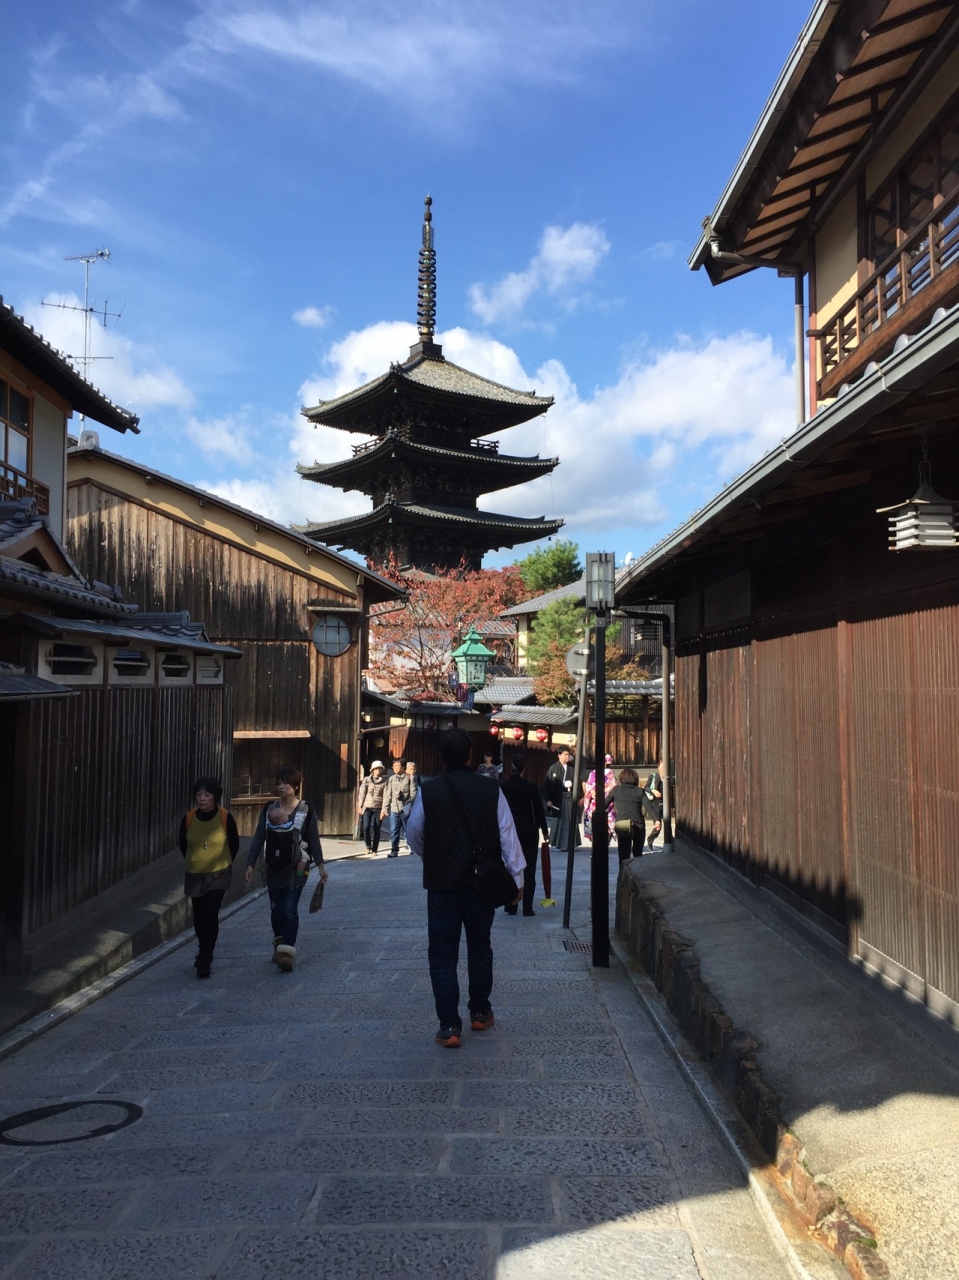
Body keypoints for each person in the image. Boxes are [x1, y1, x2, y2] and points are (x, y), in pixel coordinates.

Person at [406, 728, 525, 1048]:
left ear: (442, 757)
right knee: (480, 946)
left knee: (442, 953)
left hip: (441, 882)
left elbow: (414, 834)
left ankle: (449, 1025)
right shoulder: (490, 789)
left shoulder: (429, 791)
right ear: (471, 755)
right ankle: (480, 1011)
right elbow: (507, 835)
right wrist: (517, 879)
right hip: (480, 883)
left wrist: (432, 855)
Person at [245, 767, 326, 972]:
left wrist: (321, 865)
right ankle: (279, 943)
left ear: (296, 786)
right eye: (279, 783)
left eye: (286, 783)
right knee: (276, 909)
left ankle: (287, 953)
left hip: (296, 868)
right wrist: (250, 863)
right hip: (273, 867)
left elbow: (313, 838)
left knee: (289, 909)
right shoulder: (269, 808)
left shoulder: (306, 810)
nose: (281, 786)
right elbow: (259, 836)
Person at [179, 777, 240, 979]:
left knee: (210, 913)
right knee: (199, 916)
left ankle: (205, 957)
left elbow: (234, 844)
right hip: (195, 873)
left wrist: (222, 863)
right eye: (198, 794)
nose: (202, 798)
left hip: (218, 874)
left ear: (215, 797)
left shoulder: (225, 817)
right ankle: (203, 947)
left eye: (206, 794)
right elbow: (183, 845)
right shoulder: (188, 818)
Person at [500, 752, 550, 917]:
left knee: (511, 868)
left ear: (509, 768)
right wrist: (544, 830)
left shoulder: (503, 787)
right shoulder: (531, 786)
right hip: (529, 830)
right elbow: (539, 810)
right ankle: (527, 908)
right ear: (524, 769)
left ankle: (511, 905)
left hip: (509, 831)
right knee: (529, 870)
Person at [607, 767, 647, 862]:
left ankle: (623, 870)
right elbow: (649, 806)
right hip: (638, 824)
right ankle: (636, 871)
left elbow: (604, 804)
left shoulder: (616, 790)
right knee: (638, 854)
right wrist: (656, 820)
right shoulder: (639, 791)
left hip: (622, 823)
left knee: (623, 855)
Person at [543, 747, 575, 850]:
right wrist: (548, 799)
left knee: (570, 820)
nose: (567, 757)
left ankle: (570, 844)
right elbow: (548, 784)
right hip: (558, 798)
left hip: (569, 797)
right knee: (559, 821)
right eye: (565, 754)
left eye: (568, 754)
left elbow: (577, 783)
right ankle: (557, 843)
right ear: (559, 755)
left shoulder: (572, 769)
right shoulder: (553, 768)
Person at [381, 758, 414, 857]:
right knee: (394, 830)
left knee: (407, 829)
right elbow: (388, 795)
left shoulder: (410, 778)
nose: (395, 768)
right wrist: (384, 808)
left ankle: (412, 847)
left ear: (403, 767)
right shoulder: (391, 779)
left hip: (405, 808)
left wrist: (409, 803)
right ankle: (394, 850)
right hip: (394, 808)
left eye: (398, 766)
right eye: (394, 766)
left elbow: (414, 793)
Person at [583, 754, 617, 841]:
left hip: (600, 800)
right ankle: (603, 841)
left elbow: (589, 786)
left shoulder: (595, 773)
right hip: (604, 801)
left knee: (597, 823)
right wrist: (593, 791)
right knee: (603, 823)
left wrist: (593, 792)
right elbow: (589, 786)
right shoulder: (607, 773)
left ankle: (599, 841)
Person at [357, 761, 387, 853]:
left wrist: (384, 810)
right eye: (376, 769)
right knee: (365, 827)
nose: (378, 770)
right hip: (367, 806)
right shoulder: (367, 779)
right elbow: (362, 793)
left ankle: (375, 849)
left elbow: (386, 796)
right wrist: (360, 805)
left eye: (380, 769)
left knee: (376, 829)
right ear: (373, 770)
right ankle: (368, 846)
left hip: (378, 807)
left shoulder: (385, 781)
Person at [645, 759, 666, 850]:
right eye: (662, 767)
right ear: (658, 767)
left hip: (665, 804)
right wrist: (653, 791)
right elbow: (645, 787)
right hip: (655, 804)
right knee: (658, 826)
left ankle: (669, 844)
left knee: (668, 825)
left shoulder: (668, 778)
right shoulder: (653, 776)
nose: (663, 769)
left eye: (665, 767)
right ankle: (650, 840)